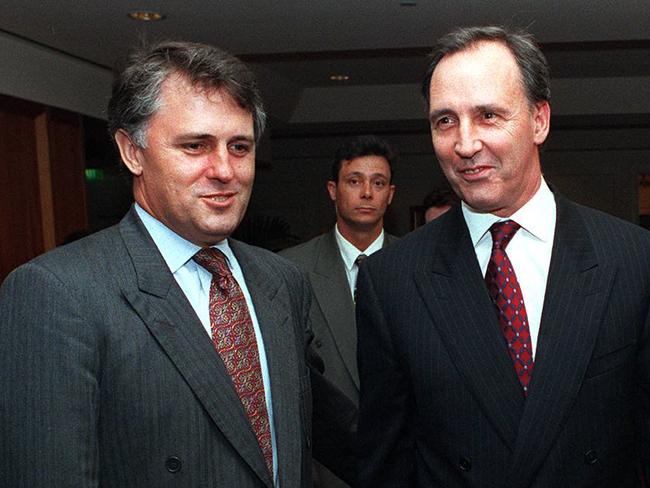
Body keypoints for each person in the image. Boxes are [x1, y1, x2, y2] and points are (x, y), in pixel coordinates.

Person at [0, 40, 355, 488]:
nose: (225, 169)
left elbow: (328, 433)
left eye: (239, 147)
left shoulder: (280, 280)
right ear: (132, 152)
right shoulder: (58, 293)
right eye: (195, 146)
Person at [356, 26, 650, 488]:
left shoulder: (633, 259)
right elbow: (387, 463)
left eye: (488, 115)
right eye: (445, 121)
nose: (465, 144)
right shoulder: (391, 280)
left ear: (539, 121)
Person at [281, 135, 398, 488]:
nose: (367, 193)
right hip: (323, 470)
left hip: (401, 464)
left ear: (390, 194)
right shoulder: (290, 271)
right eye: (354, 181)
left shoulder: (420, 266)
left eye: (378, 183)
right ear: (333, 190)